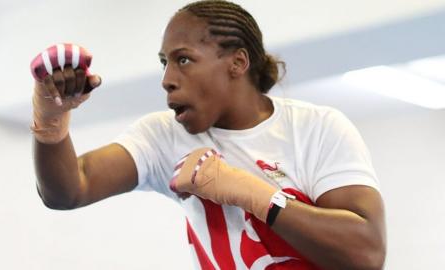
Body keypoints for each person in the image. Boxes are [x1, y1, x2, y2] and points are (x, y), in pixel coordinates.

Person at [31, 1, 386, 269]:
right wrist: (51, 121)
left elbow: (366, 252)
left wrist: (256, 195)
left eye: (183, 59)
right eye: (164, 62)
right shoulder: (163, 136)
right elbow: (68, 191)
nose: (166, 78)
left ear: (237, 63)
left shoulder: (316, 128)